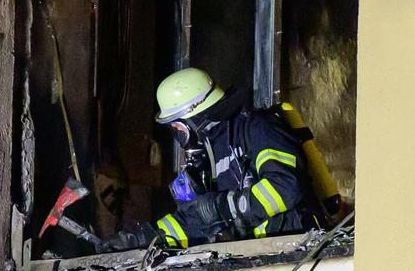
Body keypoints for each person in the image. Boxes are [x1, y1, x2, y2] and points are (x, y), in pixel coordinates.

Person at [94, 67, 317, 252]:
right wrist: (142, 240)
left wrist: (225, 206)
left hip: (292, 251)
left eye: (176, 126)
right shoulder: (210, 157)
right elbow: (195, 218)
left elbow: (286, 187)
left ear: (192, 117)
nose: (177, 134)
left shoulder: (257, 128)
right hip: (255, 258)